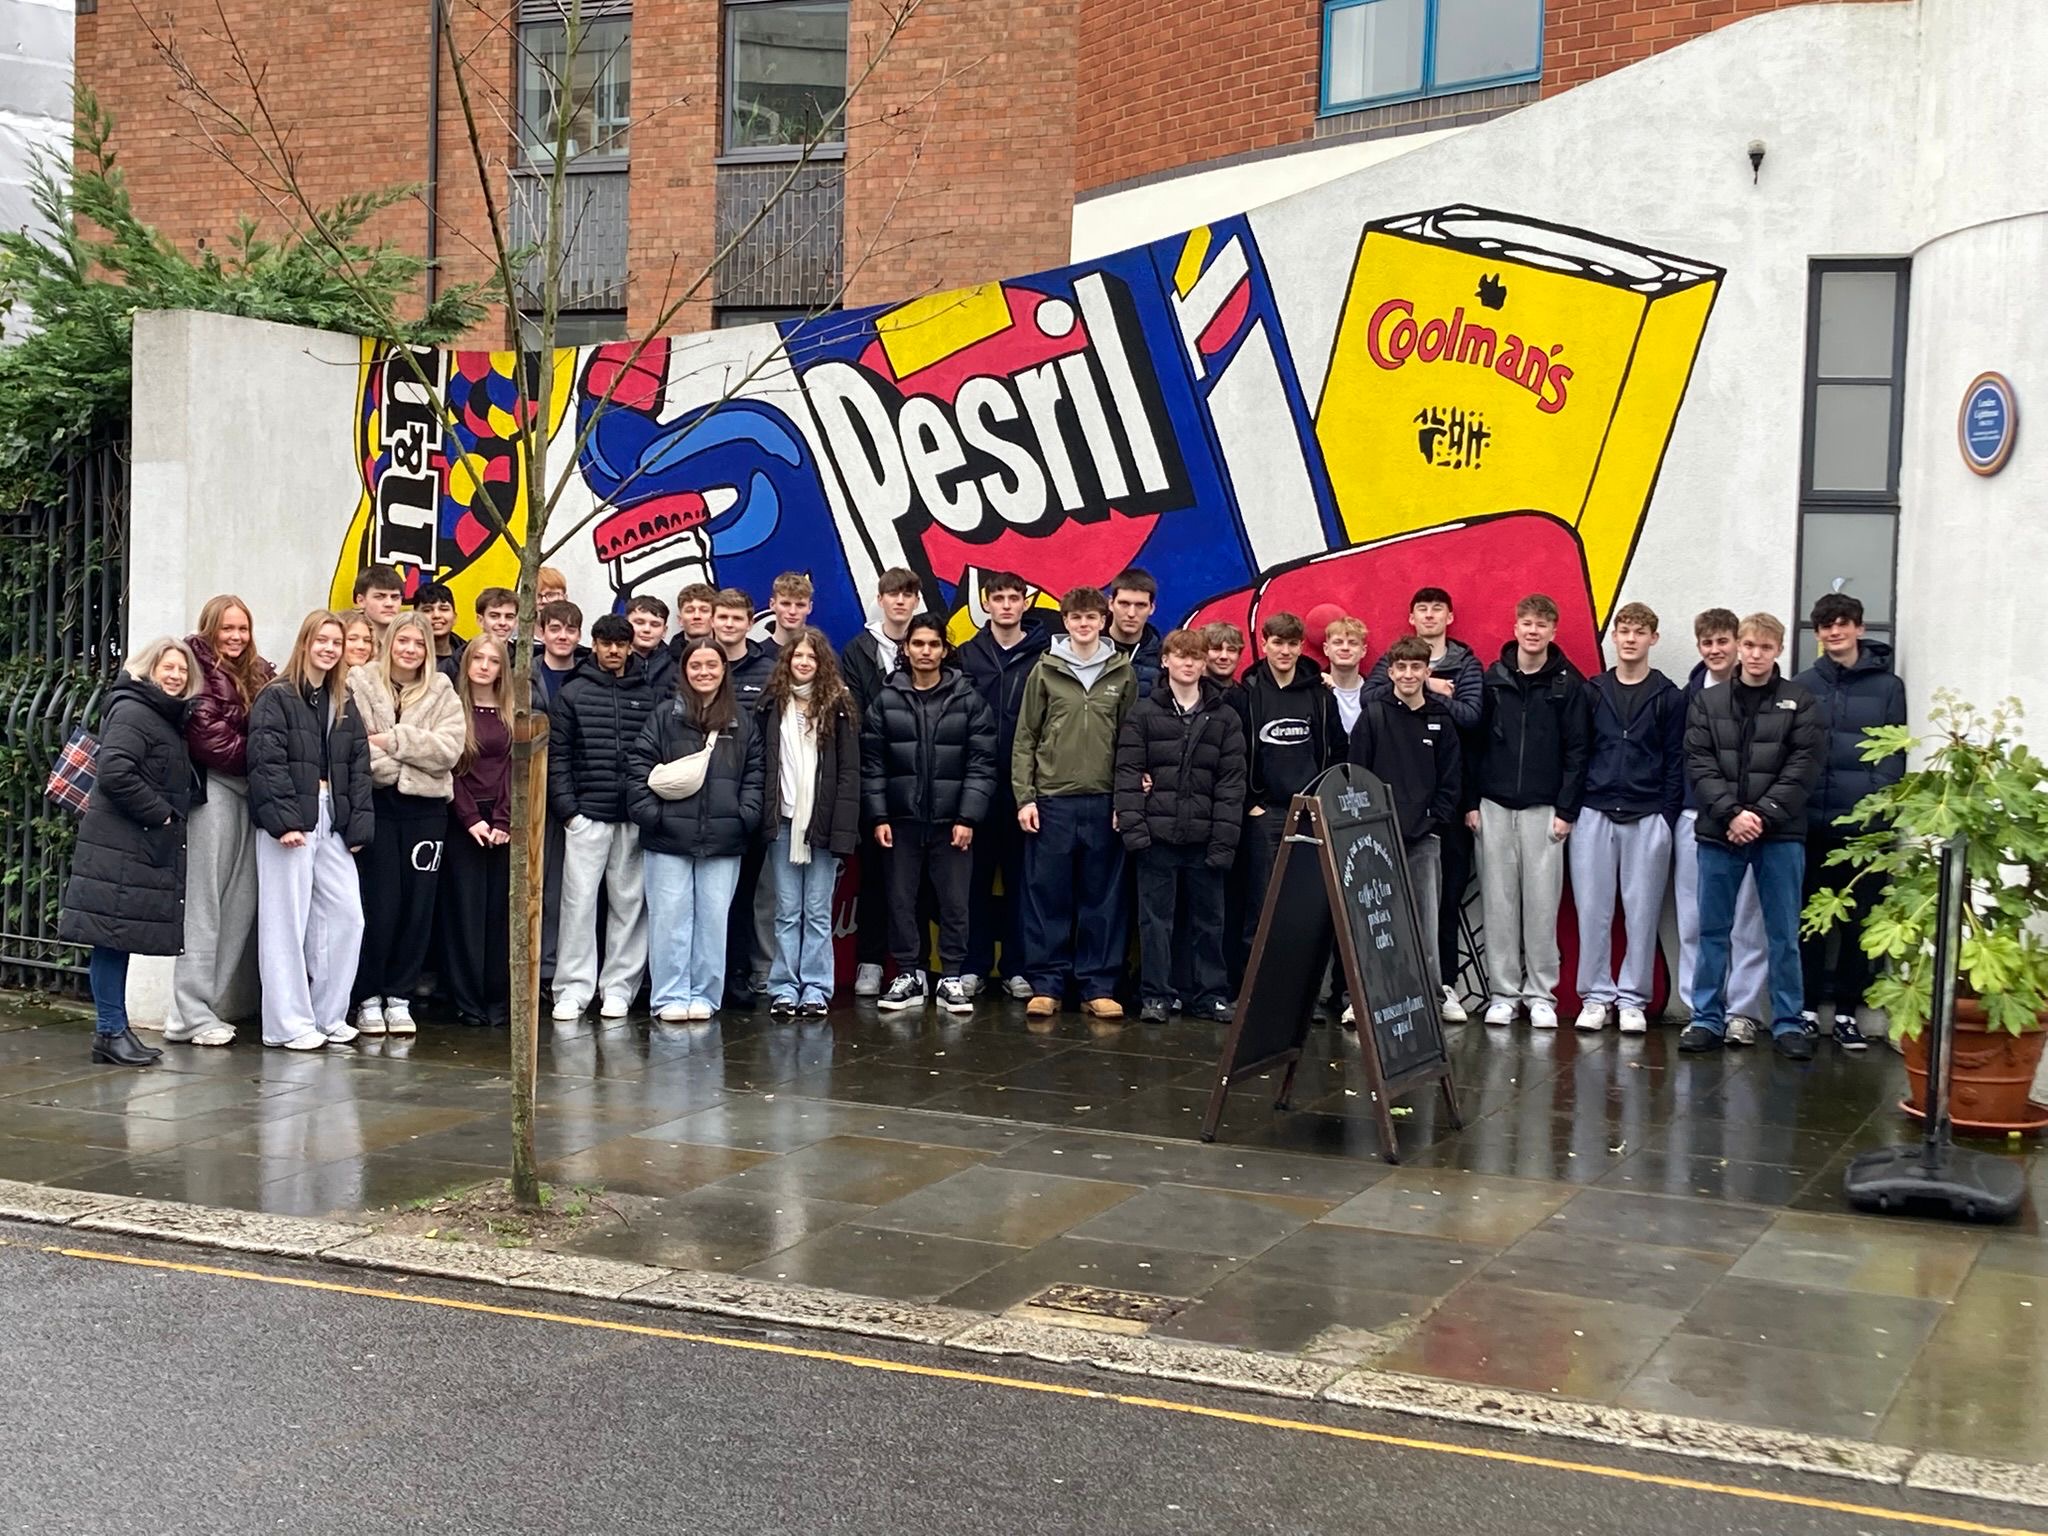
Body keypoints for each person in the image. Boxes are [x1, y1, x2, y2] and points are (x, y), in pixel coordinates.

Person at [1680, 613, 1824, 1059]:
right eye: (1749, 646)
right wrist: (1730, 813)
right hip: (1720, 832)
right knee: (1712, 931)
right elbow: (1699, 762)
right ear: (1739, 647)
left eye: (1765, 647)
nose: (1756, 655)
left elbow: (1803, 766)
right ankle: (1705, 1018)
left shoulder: (1801, 702)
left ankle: (1787, 1022)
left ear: (1779, 650)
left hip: (1780, 834)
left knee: (1782, 934)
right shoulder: (1708, 701)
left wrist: (1761, 815)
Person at [59, 637, 202, 1067]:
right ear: (149, 669)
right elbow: (116, 772)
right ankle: (109, 1031)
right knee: (110, 939)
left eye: (182, 670)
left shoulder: (159, 714)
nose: (176, 676)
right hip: (121, 843)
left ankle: (115, 1031)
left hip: (129, 843)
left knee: (116, 939)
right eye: (168, 668)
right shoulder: (135, 710)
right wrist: (162, 815)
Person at [248, 610, 374, 1050]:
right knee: (285, 921)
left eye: (336, 642)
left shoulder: (343, 700)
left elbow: (359, 764)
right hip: (291, 820)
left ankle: (327, 1016)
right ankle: (287, 1025)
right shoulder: (276, 697)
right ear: (304, 643)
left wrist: (357, 825)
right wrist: (283, 822)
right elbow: (266, 761)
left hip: (331, 818)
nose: (329, 649)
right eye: (322, 640)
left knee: (347, 917)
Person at [1466, 594, 1590, 1030]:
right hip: (1493, 807)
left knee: (1541, 908)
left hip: (1545, 811)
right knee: (1498, 906)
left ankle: (1541, 995)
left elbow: (1578, 750)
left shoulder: (1568, 685)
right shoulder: (1492, 679)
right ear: (1515, 627)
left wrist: (1566, 809)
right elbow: (1473, 746)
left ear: (1553, 631)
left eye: (1542, 624)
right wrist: (1471, 803)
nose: (1533, 631)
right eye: (1527, 623)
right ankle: (1503, 994)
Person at [865, 613, 999, 1014]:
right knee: (901, 901)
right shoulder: (886, 699)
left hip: (952, 823)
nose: (925, 651)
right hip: (901, 822)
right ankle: (909, 975)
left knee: (955, 903)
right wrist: (879, 816)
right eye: (918, 644)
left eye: (933, 644)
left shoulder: (968, 699)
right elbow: (873, 763)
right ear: (906, 649)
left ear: (944, 650)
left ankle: (952, 977)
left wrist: (967, 817)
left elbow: (982, 763)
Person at [1014, 586, 1137, 1019]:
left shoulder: (1122, 672)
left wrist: (1125, 800)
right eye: (1076, 617)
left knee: (1102, 899)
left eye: (1091, 617)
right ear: (1065, 622)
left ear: (1104, 621)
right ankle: (1047, 985)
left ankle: (1097, 986)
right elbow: (1026, 738)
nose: (1084, 624)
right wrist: (1025, 797)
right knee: (1047, 896)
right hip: (1052, 802)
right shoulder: (1045, 670)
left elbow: (1130, 744)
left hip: (1104, 801)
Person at [627, 637, 765, 1021]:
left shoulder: (742, 722)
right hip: (667, 839)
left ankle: (705, 994)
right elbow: (638, 768)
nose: (704, 672)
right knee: (669, 920)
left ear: (724, 671)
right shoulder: (663, 717)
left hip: (724, 840)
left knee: (712, 921)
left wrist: (745, 815)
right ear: (684, 671)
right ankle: (669, 995)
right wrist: (653, 817)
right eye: (696, 666)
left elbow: (756, 773)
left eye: (711, 665)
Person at [1365, 586, 1485, 1019]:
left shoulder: (1466, 666)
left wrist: (1430, 699)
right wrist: (1432, 686)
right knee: (1381, 908)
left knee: (1440, 905)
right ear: (1411, 616)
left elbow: (1471, 716)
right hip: (1387, 820)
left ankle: (1440, 988)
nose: (1430, 615)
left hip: (1439, 816)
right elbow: (1370, 699)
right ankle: (1375, 992)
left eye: (1438, 609)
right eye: (1422, 609)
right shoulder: (1387, 685)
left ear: (1449, 617)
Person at [1793, 592, 1907, 1051]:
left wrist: (1873, 809)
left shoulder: (1888, 687)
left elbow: (1893, 753)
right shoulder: (1803, 684)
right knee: (1811, 921)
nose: (1835, 631)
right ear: (1818, 634)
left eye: (1843, 623)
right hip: (1810, 826)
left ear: (1859, 628)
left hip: (1865, 831)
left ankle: (1846, 1013)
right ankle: (1805, 1009)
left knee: (1858, 923)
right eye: (1827, 625)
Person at [1115, 627, 1245, 1024]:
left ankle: (1210, 995)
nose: (1189, 663)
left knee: (1210, 922)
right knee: (1155, 922)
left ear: (1204, 664)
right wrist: (1136, 833)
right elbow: (1127, 773)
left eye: (1196, 657)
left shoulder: (1225, 717)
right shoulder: (1143, 714)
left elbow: (1231, 784)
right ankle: (1156, 995)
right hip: (1156, 838)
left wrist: (1223, 842)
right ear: (1165, 661)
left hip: (1205, 838)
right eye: (1181, 656)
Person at [1568, 602, 1684, 1035]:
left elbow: (1676, 759)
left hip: (1648, 814)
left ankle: (1633, 999)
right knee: (1592, 912)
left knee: (1642, 913)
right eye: (1624, 631)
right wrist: (1576, 806)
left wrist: (1666, 816)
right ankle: (1595, 997)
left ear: (1654, 638)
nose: (1631, 639)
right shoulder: (1593, 692)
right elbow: (1579, 751)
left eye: (1640, 632)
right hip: (1595, 811)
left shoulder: (1668, 696)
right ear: (1613, 637)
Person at [347, 612, 464, 1036]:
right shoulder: (359, 682)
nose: (410, 650)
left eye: (418, 643)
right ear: (390, 643)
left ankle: (399, 996)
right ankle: (367, 997)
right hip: (377, 806)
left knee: (417, 906)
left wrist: (393, 740)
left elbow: (448, 750)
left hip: (425, 812)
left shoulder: (442, 689)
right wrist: (410, 755)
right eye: (403, 641)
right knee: (379, 905)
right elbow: (355, 748)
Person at [168, 594, 273, 1048]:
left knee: (240, 903)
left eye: (242, 628)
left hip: (250, 793)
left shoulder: (259, 671)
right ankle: (187, 1013)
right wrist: (266, 755)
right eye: (227, 628)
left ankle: (205, 1010)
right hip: (212, 793)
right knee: (205, 905)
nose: (236, 636)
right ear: (210, 628)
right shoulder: (194, 667)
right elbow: (210, 741)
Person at [1348, 636, 1463, 1021]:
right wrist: (1369, 826)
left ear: (1427, 671)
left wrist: (1432, 820)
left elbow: (1451, 782)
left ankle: (1430, 996)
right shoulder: (1374, 716)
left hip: (1424, 839)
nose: (1409, 674)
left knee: (1425, 922)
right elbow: (1356, 776)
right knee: (1374, 919)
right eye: (1402, 667)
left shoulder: (1442, 719)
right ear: (1391, 671)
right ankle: (1365, 999)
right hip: (1376, 839)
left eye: (1416, 667)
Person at [548, 614, 654, 1021]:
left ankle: (619, 989)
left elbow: (656, 754)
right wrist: (569, 812)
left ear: (629, 647)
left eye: (620, 644)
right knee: (578, 904)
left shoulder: (648, 693)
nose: (613, 650)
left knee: (629, 905)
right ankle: (572, 990)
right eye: (606, 643)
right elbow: (558, 757)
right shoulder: (573, 692)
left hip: (632, 816)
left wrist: (645, 806)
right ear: (594, 644)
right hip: (587, 816)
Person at [1675, 608, 1771, 1045]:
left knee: (1747, 922)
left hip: (1751, 821)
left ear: (1737, 643)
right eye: (1707, 643)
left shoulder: (1765, 694)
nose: (1715, 650)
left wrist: (1747, 814)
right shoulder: (1688, 696)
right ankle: (1701, 1011)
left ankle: (1743, 1013)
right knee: (1696, 920)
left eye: (1722, 641)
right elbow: (1686, 760)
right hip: (1696, 816)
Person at [1229, 611, 1344, 971]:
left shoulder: (1320, 695)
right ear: (1264, 644)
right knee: (1260, 903)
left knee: (1304, 902)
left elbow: (1337, 750)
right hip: (1266, 813)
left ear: (1300, 647)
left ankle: (1297, 989)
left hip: (1309, 812)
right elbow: (1236, 754)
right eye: (1277, 643)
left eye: (1292, 644)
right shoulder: (1248, 693)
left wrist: (1323, 800)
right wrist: (1253, 802)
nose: (1285, 651)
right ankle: (1253, 987)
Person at [957, 570, 1052, 999]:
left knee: (1021, 883)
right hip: (977, 786)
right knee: (973, 882)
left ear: (1026, 602)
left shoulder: (1043, 656)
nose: (1007, 605)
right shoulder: (966, 655)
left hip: (1025, 789)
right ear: (986, 603)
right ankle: (974, 966)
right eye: (999, 598)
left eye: (1015, 597)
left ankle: (1017, 967)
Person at [759, 626, 859, 1016]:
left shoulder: (839, 704)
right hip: (783, 822)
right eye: (797, 655)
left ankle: (816, 988)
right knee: (786, 910)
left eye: (811, 657)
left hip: (823, 824)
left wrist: (843, 829)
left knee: (817, 911)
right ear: (787, 660)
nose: (803, 662)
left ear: (823, 663)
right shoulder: (771, 704)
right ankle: (784, 987)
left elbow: (849, 773)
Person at [840, 566, 923, 996]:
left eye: (907, 595)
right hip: (874, 776)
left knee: (920, 879)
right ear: (880, 599)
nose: (900, 601)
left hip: (923, 779)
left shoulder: (929, 642)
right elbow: (855, 713)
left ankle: (917, 965)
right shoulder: (858, 649)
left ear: (916, 601)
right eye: (893, 594)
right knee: (874, 875)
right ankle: (870, 961)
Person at [442, 637, 514, 1029]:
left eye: (493, 660)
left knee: (499, 913)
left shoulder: (511, 712)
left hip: (502, 821)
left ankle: (497, 999)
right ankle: (467, 1001)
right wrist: (470, 819)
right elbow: (449, 769)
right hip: (462, 820)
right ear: (466, 663)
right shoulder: (453, 709)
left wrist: (503, 819)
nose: (485, 666)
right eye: (478, 659)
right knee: (465, 912)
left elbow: (513, 769)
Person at [711, 586, 776, 1004]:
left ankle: (738, 974)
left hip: (751, 796)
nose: (730, 624)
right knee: (711, 896)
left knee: (745, 895)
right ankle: (709, 975)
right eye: (723, 617)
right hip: (704, 800)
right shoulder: (698, 663)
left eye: (737, 618)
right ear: (712, 620)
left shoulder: (768, 670)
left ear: (750, 623)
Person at [1106, 568, 1163, 694]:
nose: (1131, 613)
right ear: (1111, 604)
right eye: (1124, 604)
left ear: (1152, 608)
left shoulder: (1162, 658)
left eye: (1140, 605)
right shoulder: (1086, 649)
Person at [533, 599, 584, 708]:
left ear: (579, 636)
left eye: (570, 630)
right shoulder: (525, 676)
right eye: (554, 630)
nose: (563, 636)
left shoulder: (592, 676)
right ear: (542, 634)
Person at [1322, 616, 1369, 736]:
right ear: (1326, 649)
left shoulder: (1375, 694)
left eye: (1353, 643)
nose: (1345, 648)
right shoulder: (1316, 692)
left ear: (1363, 651)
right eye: (1338, 642)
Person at [413, 581, 465, 681]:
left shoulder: (467, 655)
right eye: (427, 610)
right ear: (415, 617)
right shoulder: (407, 656)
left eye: (444, 609)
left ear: (454, 617)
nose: (436, 615)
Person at [626, 594, 674, 692]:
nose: (647, 629)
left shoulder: (677, 664)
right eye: (639, 622)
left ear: (664, 631)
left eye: (655, 624)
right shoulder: (611, 661)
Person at [353, 565, 405, 645]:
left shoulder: (411, 639)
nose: (389, 604)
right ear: (361, 601)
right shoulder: (343, 637)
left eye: (395, 597)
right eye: (379, 597)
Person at [768, 571, 814, 651]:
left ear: (810, 607)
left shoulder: (821, 654)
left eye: (800, 605)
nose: (792, 611)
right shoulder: (757, 655)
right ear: (772, 604)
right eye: (785, 604)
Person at [673, 582, 718, 648]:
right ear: (680, 620)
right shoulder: (665, 655)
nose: (697, 616)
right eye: (690, 611)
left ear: (714, 618)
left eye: (704, 610)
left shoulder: (729, 652)